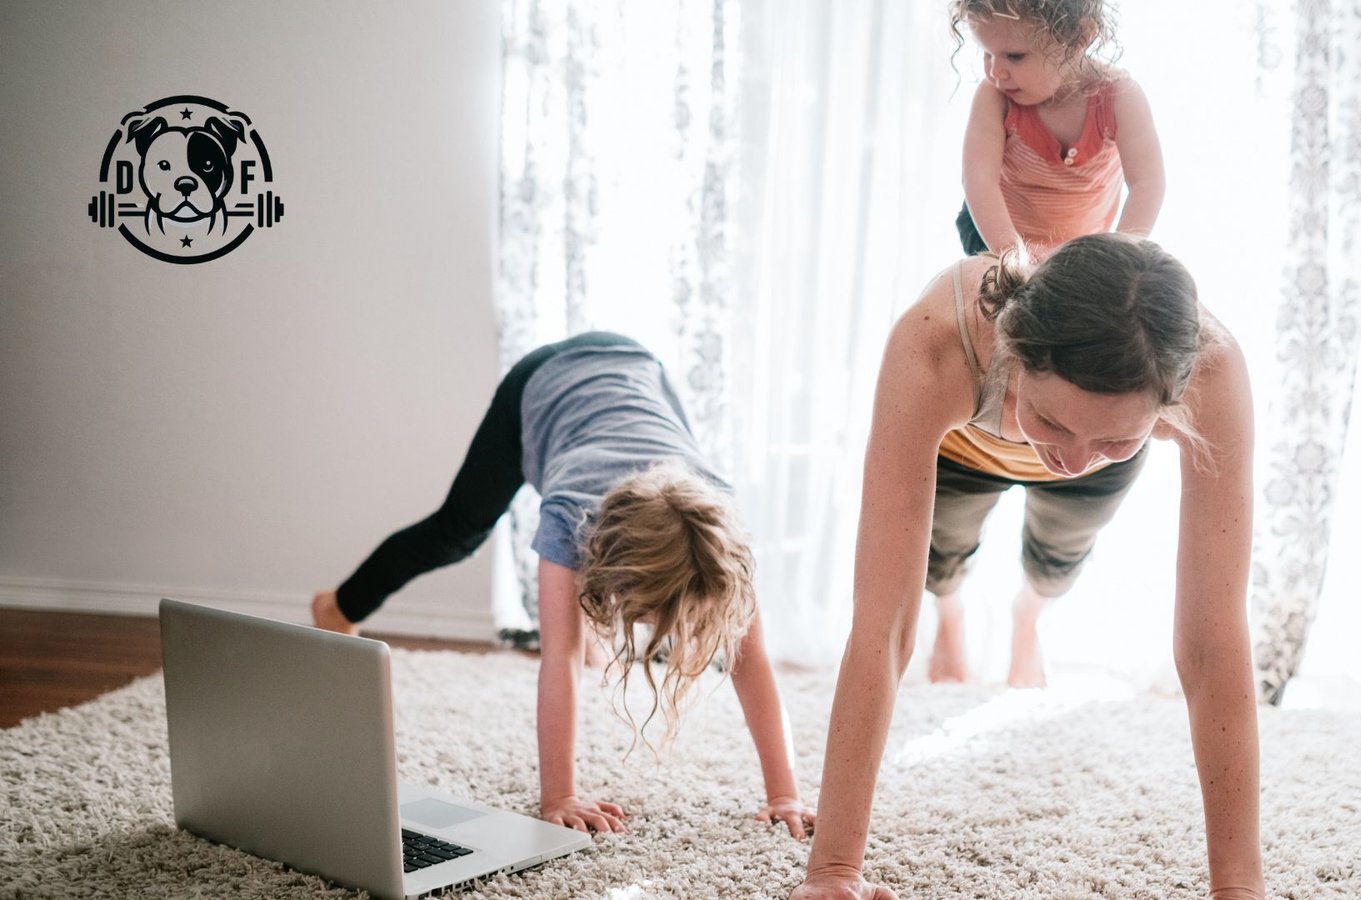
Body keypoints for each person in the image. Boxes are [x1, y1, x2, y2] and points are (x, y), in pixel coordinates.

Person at [790, 235, 1263, 899]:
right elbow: (881, 621)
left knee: (1057, 562)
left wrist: (1238, 890)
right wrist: (832, 873)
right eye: (1051, 418)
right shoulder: (936, 341)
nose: (1070, 458)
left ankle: (1028, 613)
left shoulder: (1212, 371)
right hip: (968, 448)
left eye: (1118, 437)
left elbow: (1213, 643)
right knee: (938, 565)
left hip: (1095, 472)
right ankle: (953, 608)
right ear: (1013, 346)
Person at [310, 331, 814, 840]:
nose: (657, 630)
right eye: (647, 616)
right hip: (542, 381)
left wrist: (784, 794)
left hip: (638, 365)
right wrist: (560, 796)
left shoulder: (720, 541)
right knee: (457, 534)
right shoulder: (570, 515)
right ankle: (338, 604)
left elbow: (752, 661)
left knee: (696, 610)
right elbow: (561, 657)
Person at [952, 0, 1165, 259]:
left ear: (1079, 39)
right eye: (987, 53)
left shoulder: (1119, 96)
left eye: (1015, 56)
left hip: (1077, 252)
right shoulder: (994, 96)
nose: (995, 72)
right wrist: (1013, 258)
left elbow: (1147, 183)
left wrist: (1117, 256)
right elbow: (978, 179)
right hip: (994, 235)